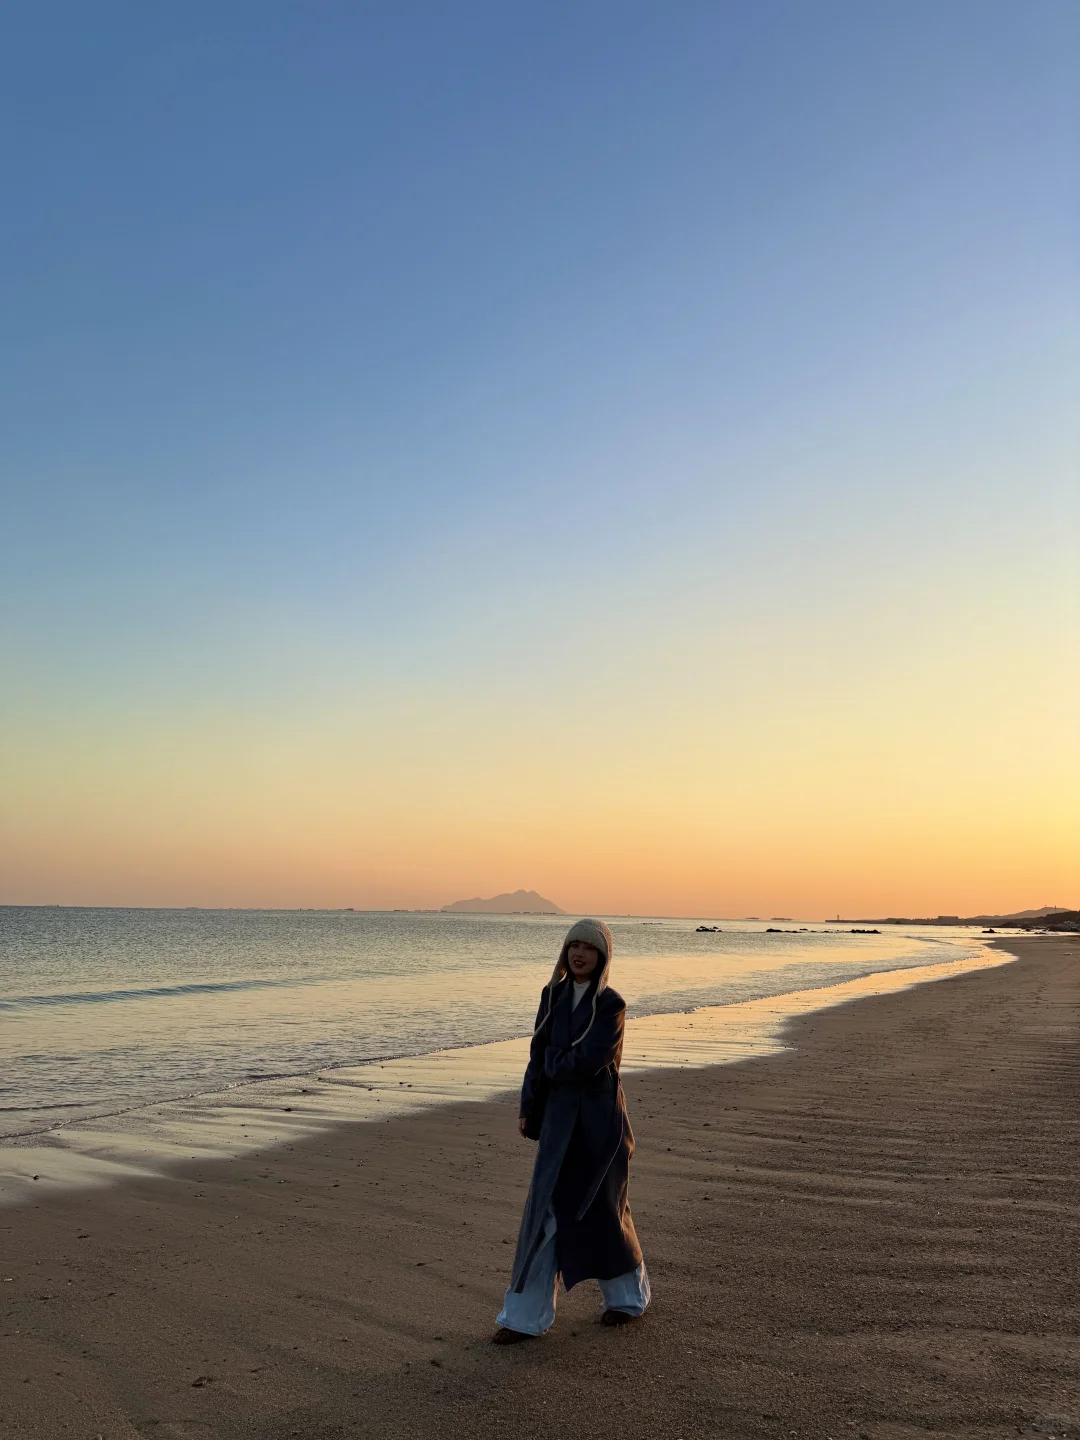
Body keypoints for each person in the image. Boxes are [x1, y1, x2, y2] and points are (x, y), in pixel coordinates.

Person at [492, 918, 650, 1343]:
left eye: (589, 948)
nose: (579, 954)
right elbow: (537, 1052)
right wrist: (529, 1106)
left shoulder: (611, 1004)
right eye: (574, 945)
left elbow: (587, 1062)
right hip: (559, 1122)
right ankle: (523, 1318)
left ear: (603, 957)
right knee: (544, 1213)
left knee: (604, 1209)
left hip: (600, 1125)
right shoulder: (552, 995)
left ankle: (628, 1300)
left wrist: (553, 1063)